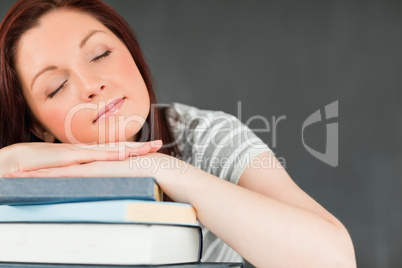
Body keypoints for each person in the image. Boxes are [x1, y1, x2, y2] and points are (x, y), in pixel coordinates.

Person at [0, 0, 356, 267]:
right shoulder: (13, 171)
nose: (92, 85)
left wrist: (158, 168)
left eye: (100, 54)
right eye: (57, 86)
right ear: (37, 126)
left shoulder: (205, 137)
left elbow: (332, 260)